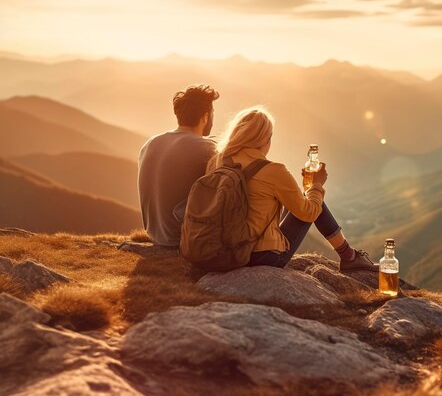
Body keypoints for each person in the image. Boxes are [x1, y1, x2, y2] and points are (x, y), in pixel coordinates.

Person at [206, 106, 377, 271]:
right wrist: (316, 185)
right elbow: (309, 213)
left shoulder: (217, 161)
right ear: (266, 139)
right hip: (261, 257)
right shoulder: (273, 170)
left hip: (223, 251)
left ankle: (349, 256)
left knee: (305, 199)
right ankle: (349, 257)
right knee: (314, 202)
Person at [138, 85, 219, 247]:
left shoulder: (150, 143)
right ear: (205, 117)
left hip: (155, 235)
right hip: (181, 239)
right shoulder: (207, 148)